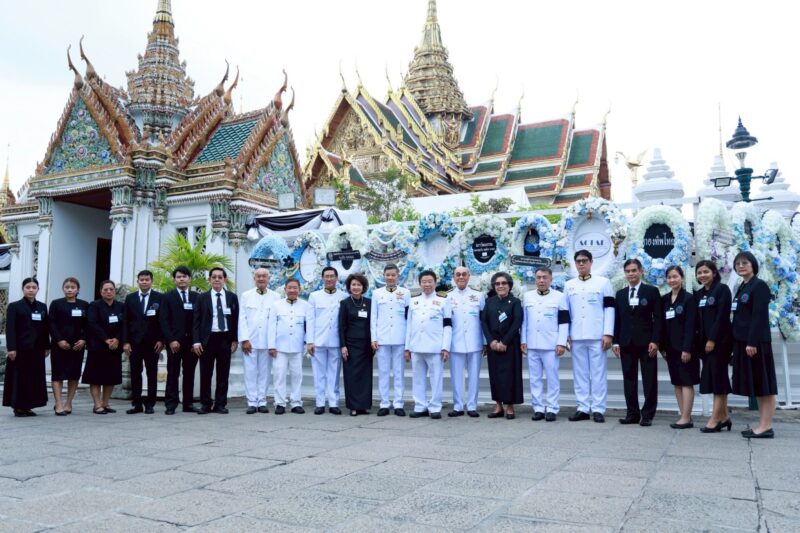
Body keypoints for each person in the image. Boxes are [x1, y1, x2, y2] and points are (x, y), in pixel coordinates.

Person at [562, 250, 615, 422]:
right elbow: (565, 312)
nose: (581, 264)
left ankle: (598, 408)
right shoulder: (569, 285)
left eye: (584, 260)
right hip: (576, 336)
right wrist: (565, 335)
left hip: (597, 335)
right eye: (578, 261)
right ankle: (583, 408)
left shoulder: (603, 283)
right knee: (580, 374)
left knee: (598, 373)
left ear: (591, 262)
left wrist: (608, 333)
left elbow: (609, 309)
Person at [731, 251, 777, 439]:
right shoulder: (743, 286)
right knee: (758, 385)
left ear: (753, 265)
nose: (741, 266)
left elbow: (759, 317)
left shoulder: (759, 286)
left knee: (764, 385)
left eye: (745, 263)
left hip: (756, 344)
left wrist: (752, 342)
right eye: (738, 263)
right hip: (744, 342)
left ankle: (766, 426)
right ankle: (762, 424)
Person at [612, 259, 662, 426]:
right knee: (629, 379)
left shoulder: (651, 291)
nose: (631, 274)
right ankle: (632, 413)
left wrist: (655, 340)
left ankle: (647, 414)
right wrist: (616, 342)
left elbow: (658, 319)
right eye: (628, 271)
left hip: (647, 343)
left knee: (650, 379)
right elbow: (617, 320)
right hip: (626, 343)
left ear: (641, 271)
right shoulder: (620, 294)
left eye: (634, 270)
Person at [521, 267, 569, 421]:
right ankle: (538, 408)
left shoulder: (559, 297)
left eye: (545, 277)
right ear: (535, 279)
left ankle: (552, 408)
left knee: (552, 377)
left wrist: (561, 342)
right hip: (532, 343)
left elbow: (564, 322)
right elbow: (524, 321)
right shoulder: (527, 296)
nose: (541, 280)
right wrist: (523, 340)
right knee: (534, 378)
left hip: (551, 345)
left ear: (551, 279)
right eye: (539, 277)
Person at [405, 270, 451, 419]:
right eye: (424, 282)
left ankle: (435, 407)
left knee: (436, 379)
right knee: (418, 378)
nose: (427, 284)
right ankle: (420, 406)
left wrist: (445, 347)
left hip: (435, 347)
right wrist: (407, 347)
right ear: (420, 283)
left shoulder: (443, 300)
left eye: (430, 281)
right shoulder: (413, 300)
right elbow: (409, 325)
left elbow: (447, 326)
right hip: (416, 346)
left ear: (435, 283)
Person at [192, 267, 239, 415]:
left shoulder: (232, 297)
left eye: (220, 277)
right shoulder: (202, 297)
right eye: (214, 277)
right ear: (209, 280)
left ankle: (220, 404)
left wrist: (234, 339)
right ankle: (205, 404)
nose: (217, 279)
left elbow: (235, 319)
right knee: (205, 373)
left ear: (225, 279)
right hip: (207, 340)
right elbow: (196, 321)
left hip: (225, 339)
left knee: (223, 374)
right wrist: (196, 341)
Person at [694, 260, 733, 433]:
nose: (702, 275)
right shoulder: (699, 294)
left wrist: (712, 339)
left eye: (706, 272)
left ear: (714, 273)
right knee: (712, 378)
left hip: (720, 343)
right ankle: (724, 417)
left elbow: (722, 316)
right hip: (704, 345)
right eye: (699, 273)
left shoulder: (722, 290)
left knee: (718, 379)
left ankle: (715, 419)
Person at [660, 266, 699, 429]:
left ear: (682, 278)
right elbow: (661, 325)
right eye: (669, 277)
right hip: (670, 349)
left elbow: (691, 326)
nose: (672, 280)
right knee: (677, 382)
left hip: (685, 349)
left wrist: (687, 349)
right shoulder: (664, 299)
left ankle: (686, 417)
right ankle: (683, 415)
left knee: (686, 382)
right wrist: (662, 348)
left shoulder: (689, 299)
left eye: (675, 276)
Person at [3, 278, 49, 417]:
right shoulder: (15, 306)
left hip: (37, 349)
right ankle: (18, 407)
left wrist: (47, 346)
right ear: (23, 289)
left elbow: (45, 328)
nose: (31, 290)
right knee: (20, 378)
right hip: (20, 349)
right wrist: (11, 348)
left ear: (38, 289)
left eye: (34, 287)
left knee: (33, 378)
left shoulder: (42, 307)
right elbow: (10, 328)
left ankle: (28, 406)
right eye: (28, 287)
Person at [481, 271, 524, 419]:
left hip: (510, 345)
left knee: (511, 375)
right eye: (497, 283)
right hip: (493, 346)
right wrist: (491, 341)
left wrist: (504, 342)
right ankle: (498, 405)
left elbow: (517, 322)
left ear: (509, 285)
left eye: (504, 283)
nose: (501, 286)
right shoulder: (489, 302)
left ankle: (510, 406)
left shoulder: (515, 302)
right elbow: (484, 322)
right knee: (495, 375)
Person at [268, 278, 314, 415]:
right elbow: (271, 326)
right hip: (279, 347)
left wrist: (309, 342)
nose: (292, 290)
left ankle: (296, 403)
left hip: (297, 346)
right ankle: (280, 403)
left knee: (297, 375)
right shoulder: (276, 305)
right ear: (285, 289)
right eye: (290, 288)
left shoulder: (306, 306)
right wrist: (271, 345)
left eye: (295, 288)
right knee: (279, 375)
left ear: (299, 289)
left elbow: (309, 327)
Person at [370, 263, 410, 416]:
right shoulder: (377, 293)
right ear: (383, 276)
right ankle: (384, 403)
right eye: (388, 275)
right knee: (384, 372)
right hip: (382, 338)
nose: (391, 277)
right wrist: (374, 338)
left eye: (393, 275)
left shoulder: (405, 293)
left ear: (398, 276)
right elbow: (373, 317)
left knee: (399, 372)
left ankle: (398, 403)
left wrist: (408, 341)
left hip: (400, 338)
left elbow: (408, 318)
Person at [238, 268, 279, 414]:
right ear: (254, 278)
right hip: (251, 341)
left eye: (264, 276)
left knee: (265, 373)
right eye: (258, 276)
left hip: (267, 342)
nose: (261, 279)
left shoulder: (276, 296)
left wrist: (273, 343)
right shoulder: (246, 295)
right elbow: (242, 318)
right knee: (250, 372)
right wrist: (244, 339)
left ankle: (262, 401)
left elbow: (276, 321)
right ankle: (251, 402)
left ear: (269, 279)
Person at [123, 270, 164, 414]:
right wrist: (125, 342)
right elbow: (126, 321)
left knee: (152, 373)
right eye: (142, 280)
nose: (144, 282)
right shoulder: (130, 298)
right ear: (138, 281)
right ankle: (137, 404)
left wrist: (161, 339)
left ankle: (150, 404)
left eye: (147, 279)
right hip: (134, 343)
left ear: (151, 281)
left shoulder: (159, 297)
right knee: (135, 373)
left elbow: (162, 320)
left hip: (153, 343)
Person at [160, 265, 199, 414]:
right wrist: (171, 340)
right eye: (178, 277)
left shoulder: (196, 297)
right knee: (173, 373)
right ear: (174, 280)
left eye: (184, 276)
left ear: (189, 278)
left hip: (191, 344)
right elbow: (164, 320)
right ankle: (171, 404)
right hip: (174, 343)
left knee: (189, 374)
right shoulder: (167, 297)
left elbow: (199, 321)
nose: (181, 279)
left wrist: (196, 341)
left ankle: (188, 404)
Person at [447, 266, 486, 418]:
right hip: (455, 343)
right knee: (456, 376)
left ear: (469, 276)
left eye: (464, 274)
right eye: (458, 274)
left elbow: (483, 321)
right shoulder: (447, 296)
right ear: (454, 277)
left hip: (474, 342)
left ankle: (472, 406)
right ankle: (458, 406)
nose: (461, 277)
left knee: (474, 376)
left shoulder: (478, 295)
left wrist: (484, 342)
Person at [308, 267, 347, 415]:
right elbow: (310, 320)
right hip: (318, 340)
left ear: (336, 278)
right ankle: (319, 403)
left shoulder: (343, 296)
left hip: (336, 341)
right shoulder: (314, 296)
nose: (329, 279)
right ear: (322, 278)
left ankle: (333, 403)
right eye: (327, 276)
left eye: (332, 276)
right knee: (319, 373)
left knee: (334, 374)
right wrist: (310, 341)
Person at [82, 280, 125, 414]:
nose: (108, 292)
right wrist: (106, 340)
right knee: (95, 377)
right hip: (97, 346)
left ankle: (105, 403)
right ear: (101, 292)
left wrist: (117, 339)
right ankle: (97, 405)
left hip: (114, 347)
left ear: (115, 291)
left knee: (110, 377)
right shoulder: (94, 305)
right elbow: (92, 324)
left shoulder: (121, 306)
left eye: (111, 289)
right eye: (105, 289)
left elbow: (124, 325)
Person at [48, 277, 89, 415]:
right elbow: (51, 324)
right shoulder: (56, 303)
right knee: (57, 375)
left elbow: (88, 325)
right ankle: (58, 404)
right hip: (59, 345)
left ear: (78, 289)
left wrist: (84, 340)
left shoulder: (84, 304)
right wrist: (59, 340)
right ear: (63, 289)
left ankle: (68, 403)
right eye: (67, 287)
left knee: (73, 375)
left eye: (73, 287)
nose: (70, 290)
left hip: (77, 346)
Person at [339, 273, 373, 416]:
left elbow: (373, 323)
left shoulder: (369, 303)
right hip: (351, 346)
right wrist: (343, 345)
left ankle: (363, 406)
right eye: (353, 284)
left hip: (366, 346)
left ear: (363, 287)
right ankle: (353, 406)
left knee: (365, 377)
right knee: (351, 376)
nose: (356, 287)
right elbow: (341, 326)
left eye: (359, 285)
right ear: (349, 287)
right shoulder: (345, 303)